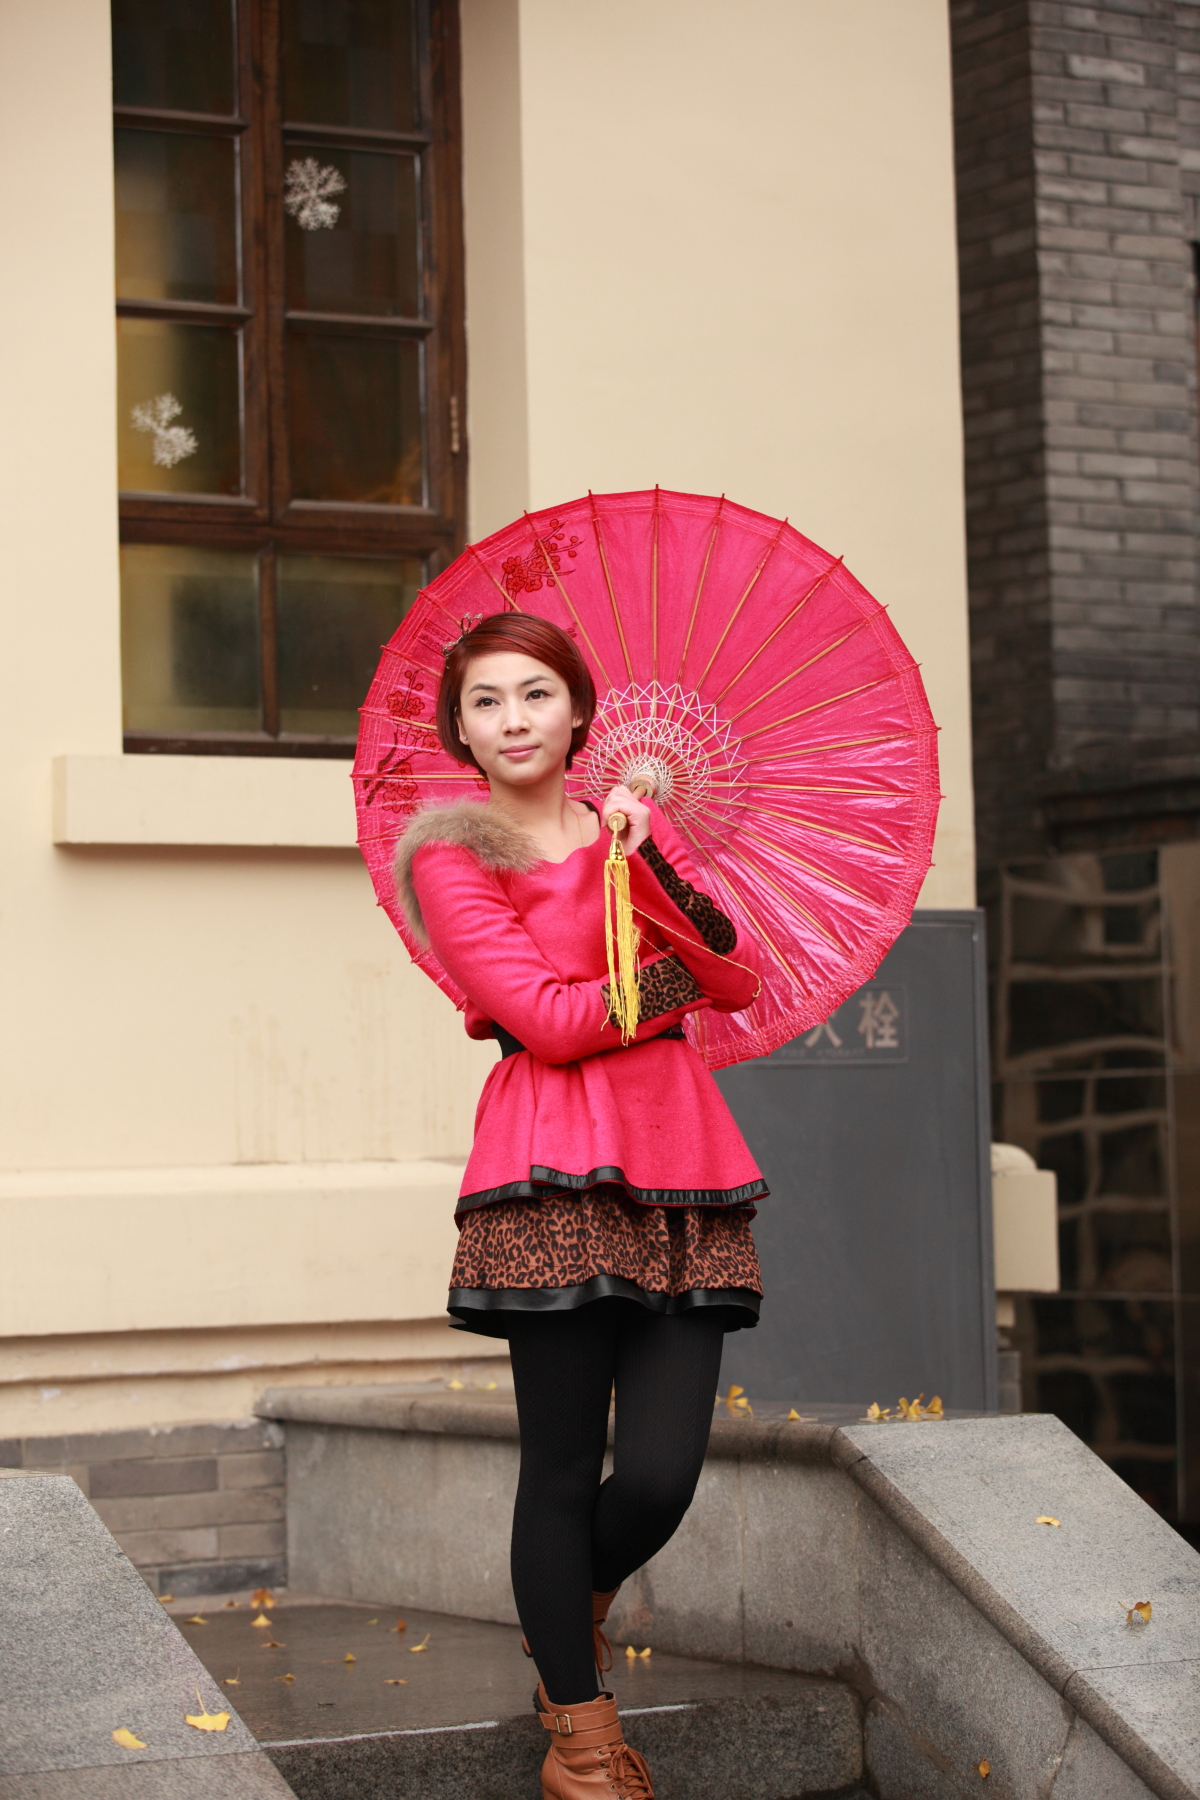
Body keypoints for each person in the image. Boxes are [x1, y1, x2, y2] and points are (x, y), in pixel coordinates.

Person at [395, 612, 767, 1800]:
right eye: (487, 701)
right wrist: (666, 985)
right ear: (460, 730)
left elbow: (737, 969)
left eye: (535, 694)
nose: (513, 719)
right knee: (561, 1465)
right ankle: (582, 1741)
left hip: (680, 1157)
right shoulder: (452, 857)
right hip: (550, 1166)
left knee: (660, 1475)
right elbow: (549, 1026)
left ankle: (562, 1608)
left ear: (578, 713)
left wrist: (647, 862)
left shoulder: (631, 830)